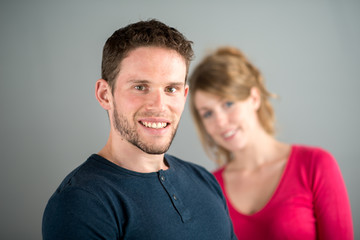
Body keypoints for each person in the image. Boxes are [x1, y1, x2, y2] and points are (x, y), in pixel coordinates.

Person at [42, 20, 237, 240]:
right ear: (105, 94)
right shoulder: (82, 202)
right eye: (140, 87)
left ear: (184, 95)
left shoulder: (204, 180)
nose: (159, 105)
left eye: (171, 89)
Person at [189, 46, 354, 240]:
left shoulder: (315, 165)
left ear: (254, 98)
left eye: (228, 104)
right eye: (208, 113)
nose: (220, 122)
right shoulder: (208, 187)